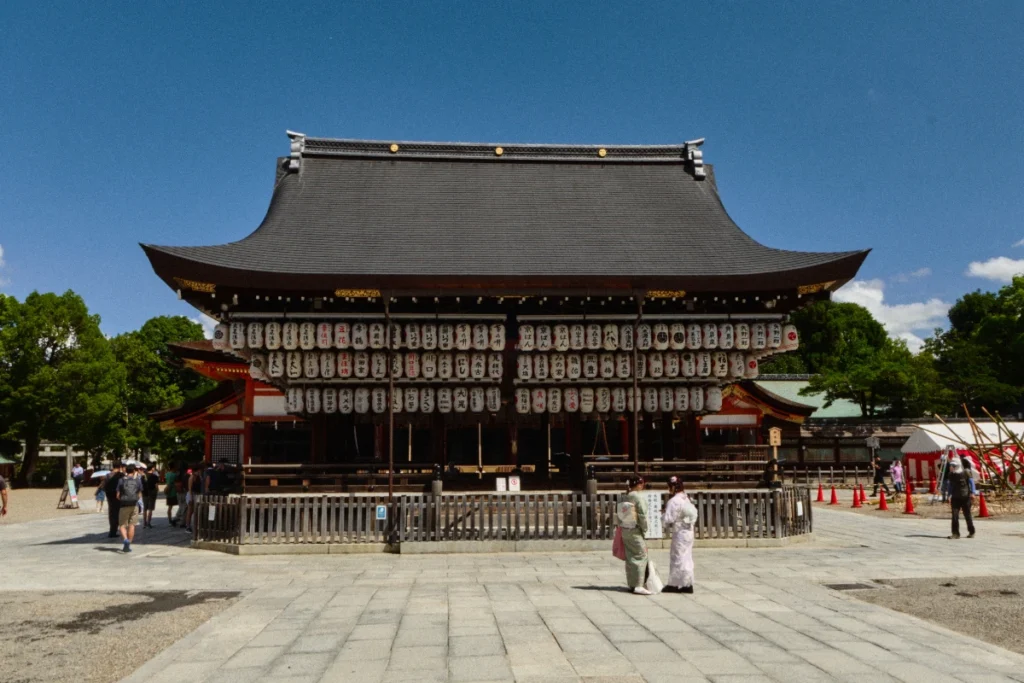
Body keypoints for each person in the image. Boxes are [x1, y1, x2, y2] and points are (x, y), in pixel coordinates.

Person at [661, 476, 697, 594]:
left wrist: (663, 514)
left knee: (677, 557)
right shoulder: (687, 498)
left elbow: (668, 519)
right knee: (687, 557)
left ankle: (674, 584)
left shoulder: (673, 501)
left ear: (673, 487)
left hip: (680, 532)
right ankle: (688, 584)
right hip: (689, 531)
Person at [616, 476, 651, 595]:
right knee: (641, 555)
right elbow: (642, 514)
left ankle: (632, 583)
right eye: (642, 483)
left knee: (630, 556)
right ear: (639, 484)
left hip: (626, 529)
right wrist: (645, 528)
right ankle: (638, 585)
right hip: (635, 529)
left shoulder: (626, 496)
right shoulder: (637, 497)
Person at [943, 456, 977, 540]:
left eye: (953, 466)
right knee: (954, 516)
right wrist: (949, 495)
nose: (952, 467)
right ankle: (955, 533)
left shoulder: (966, 472)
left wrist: (973, 493)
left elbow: (971, 483)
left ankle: (971, 531)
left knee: (967, 515)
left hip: (965, 497)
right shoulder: (951, 475)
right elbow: (950, 485)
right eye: (951, 465)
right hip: (955, 497)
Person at [116, 464, 143, 552]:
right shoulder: (138, 480)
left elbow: (117, 496)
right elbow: (139, 495)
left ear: (125, 471)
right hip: (134, 505)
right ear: (134, 471)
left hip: (124, 505)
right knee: (132, 525)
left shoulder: (121, 480)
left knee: (122, 525)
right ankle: (128, 545)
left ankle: (125, 540)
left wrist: (122, 499)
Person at [103, 462, 125, 538]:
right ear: (120, 467)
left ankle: (112, 531)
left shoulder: (108, 475)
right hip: (118, 496)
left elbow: (104, 485)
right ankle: (116, 530)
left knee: (111, 513)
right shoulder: (120, 475)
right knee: (118, 513)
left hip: (109, 496)